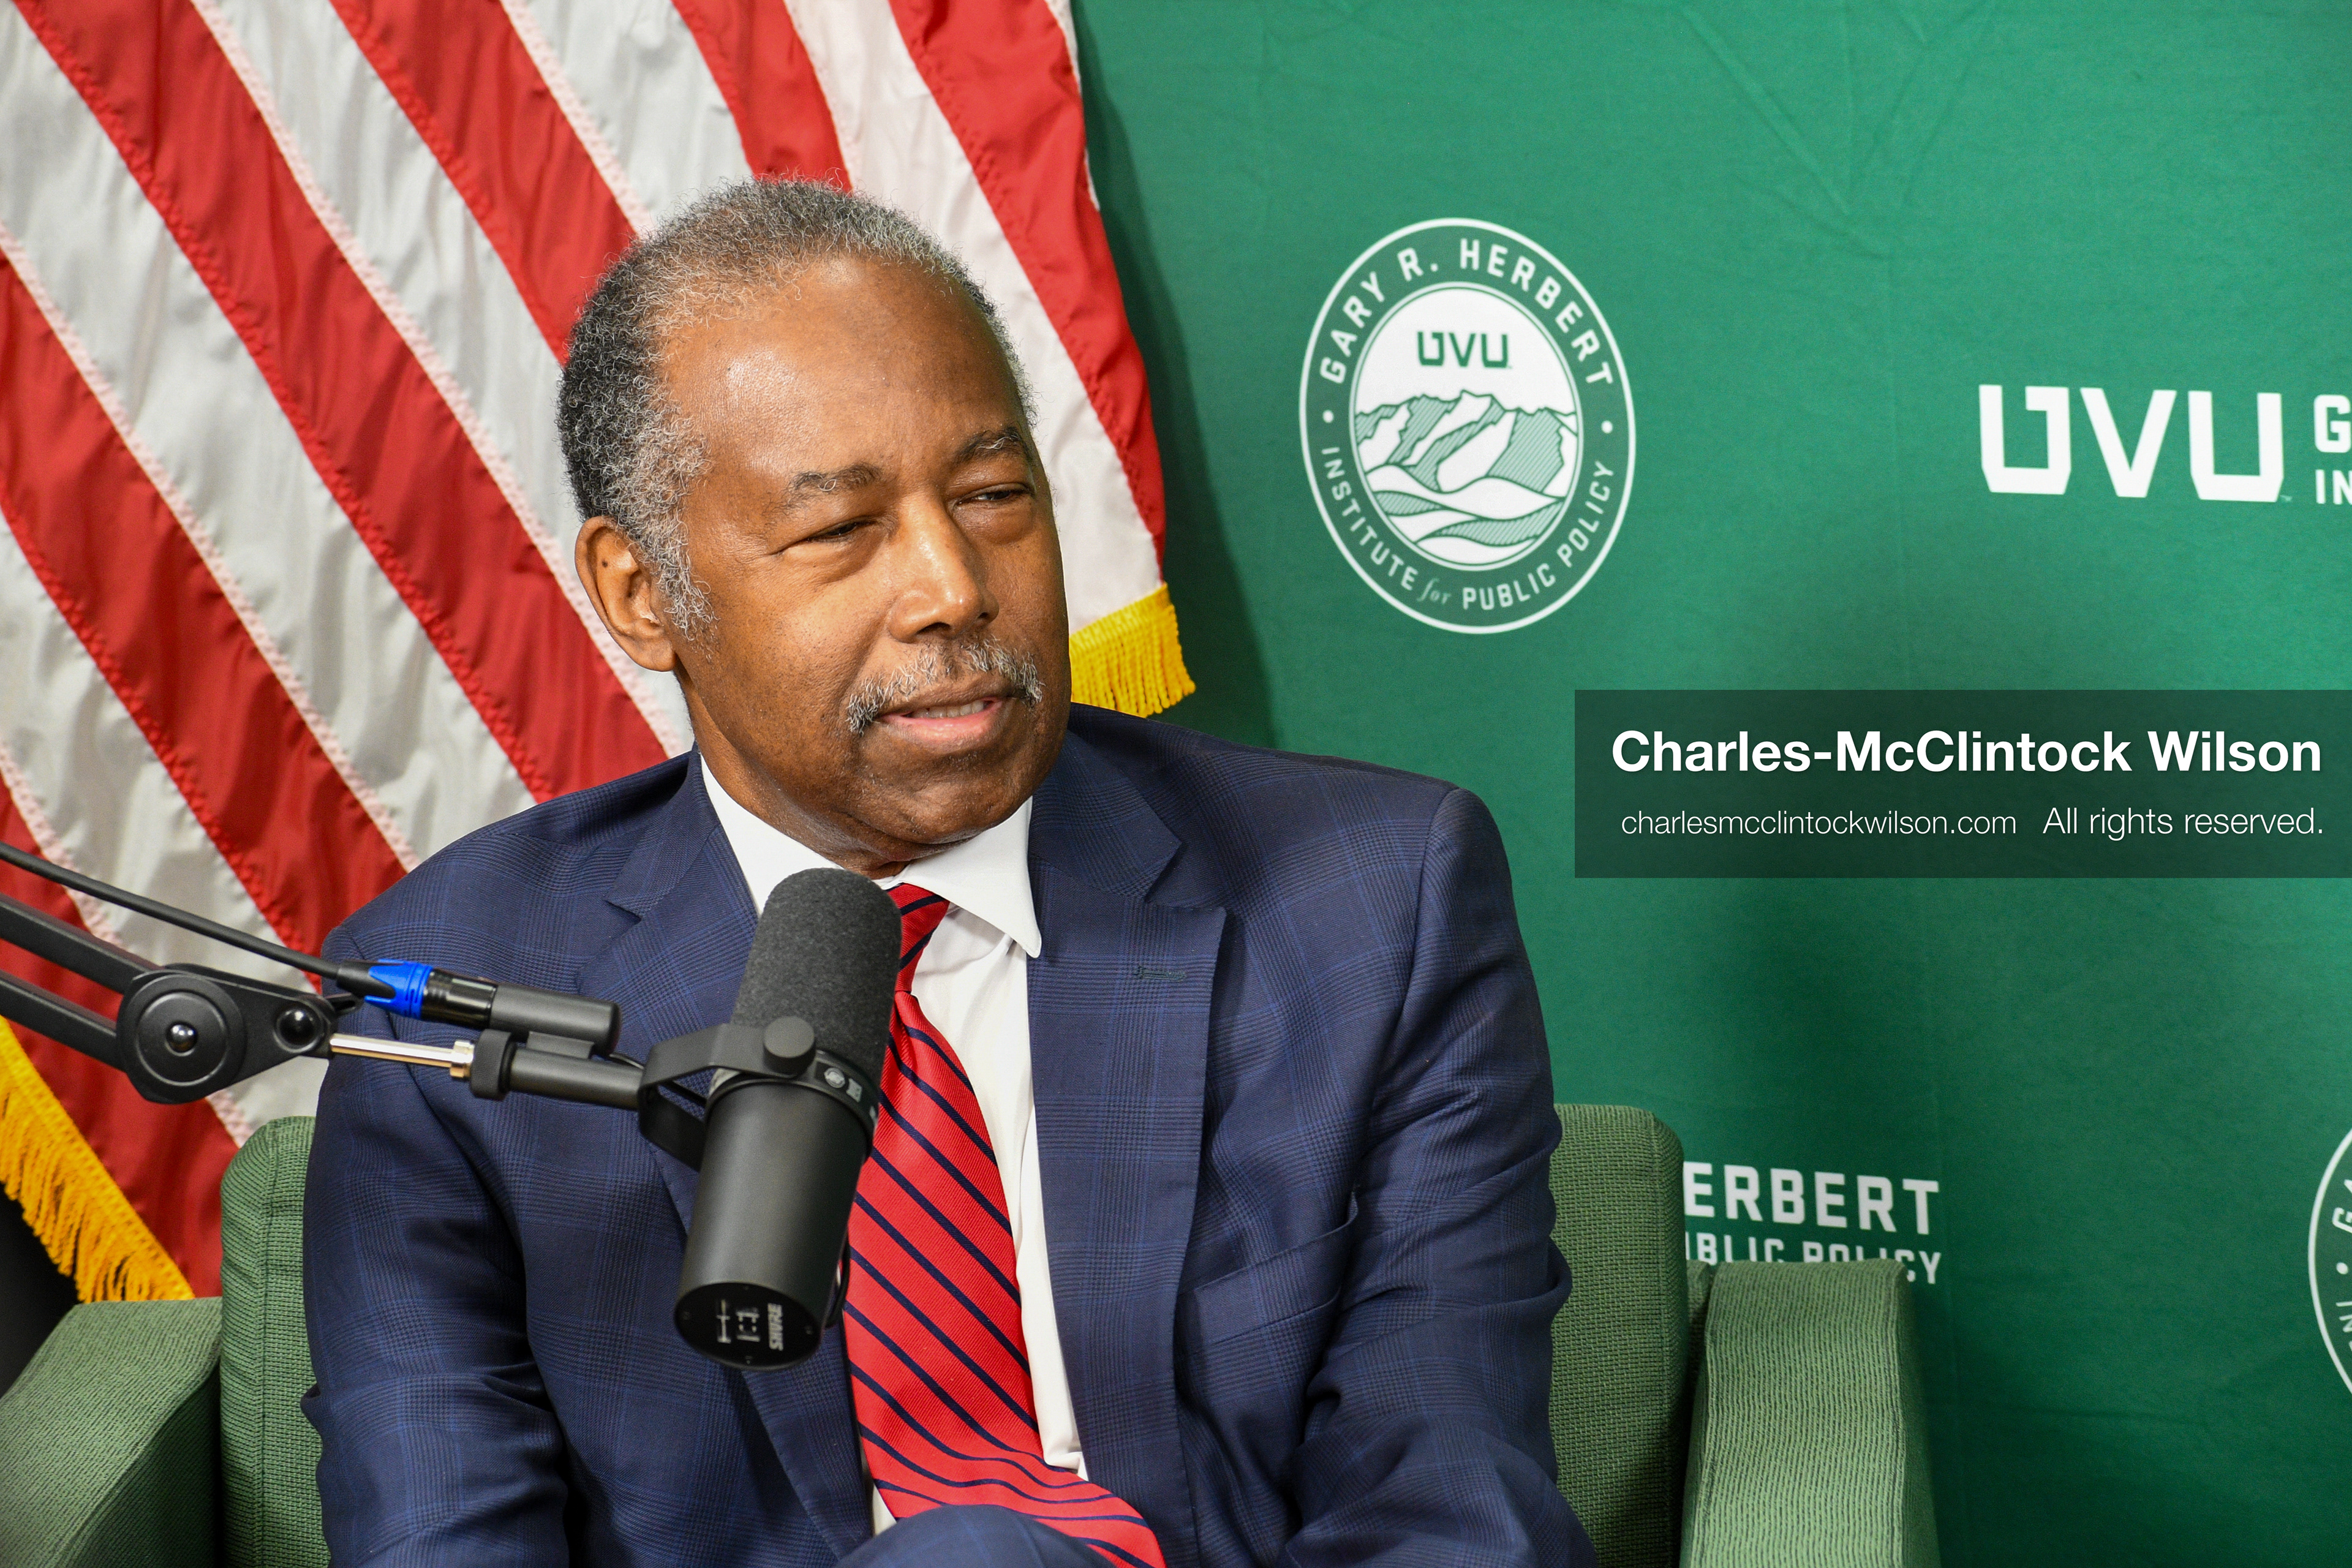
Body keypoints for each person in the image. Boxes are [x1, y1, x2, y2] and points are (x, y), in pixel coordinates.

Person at [303, 179, 1584, 1568]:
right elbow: (440, 1533)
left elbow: (1451, 1500)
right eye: (841, 530)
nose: (953, 584)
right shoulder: (455, 997)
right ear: (641, 593)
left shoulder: (1372, 902)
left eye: (991, 495)